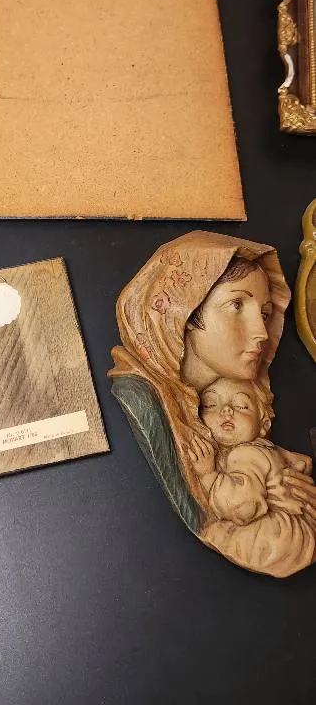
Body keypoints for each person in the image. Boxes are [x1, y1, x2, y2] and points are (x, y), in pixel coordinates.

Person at [109, 231, 316, 575]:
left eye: (265, 314)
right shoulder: (144, 400)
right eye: (237, 305)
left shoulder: (238, 403)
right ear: (183, 310)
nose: (262, 332)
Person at [189, 377, 315, 576]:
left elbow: (243, 505)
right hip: (297, 532)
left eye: (242, 406)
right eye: (211, 404)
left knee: (216, 534)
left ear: (263, 424)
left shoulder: (245, 454)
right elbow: (302, 462)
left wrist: (208, 475)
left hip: (275, 536)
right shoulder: (267, 449)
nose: (227, 410)